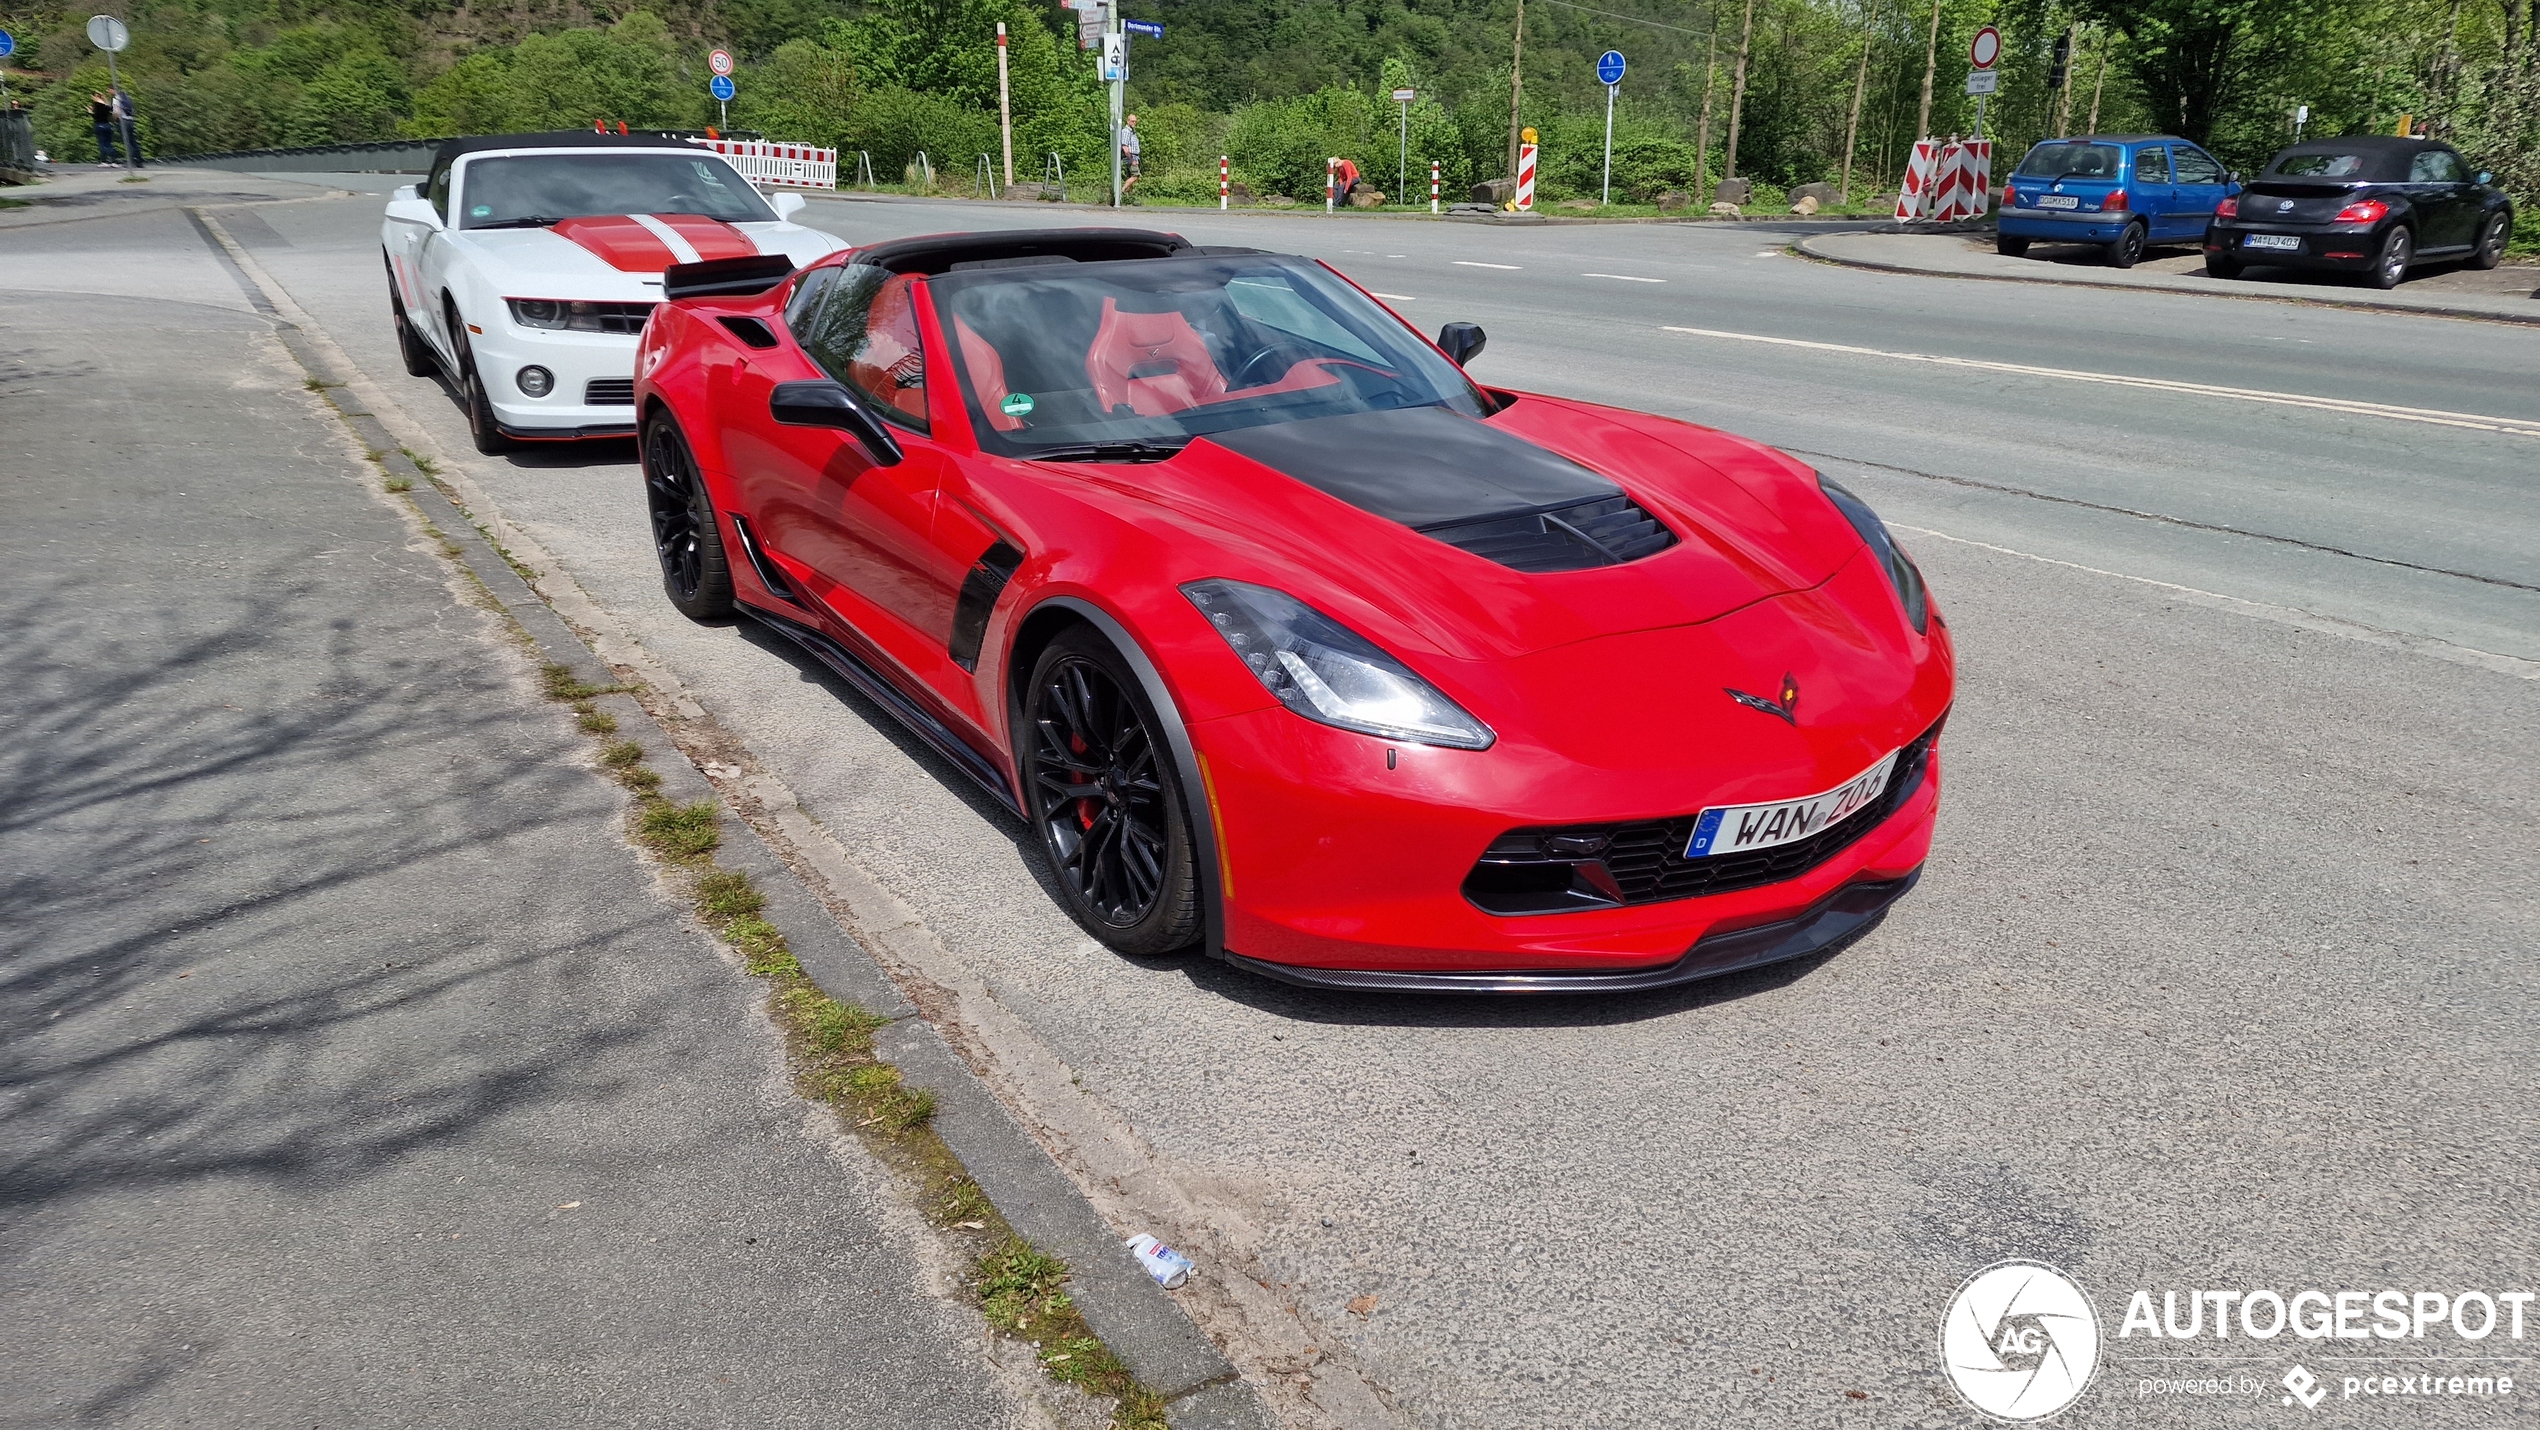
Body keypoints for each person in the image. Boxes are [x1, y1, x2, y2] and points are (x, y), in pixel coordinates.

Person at [113, 87, 141, 167]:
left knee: (126, 142)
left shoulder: (116, 99)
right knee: (133, 141)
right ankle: (139, 161)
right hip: (131, 121)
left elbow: (117, 112)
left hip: (123, 121)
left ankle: (130, 162)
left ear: (113, 90)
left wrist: (113, 120)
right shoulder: (126, 97)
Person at [90, 91, 119, 165]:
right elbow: (111, 109)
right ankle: (114, 160)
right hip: (107, 125)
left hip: (100, 125)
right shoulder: (106, 106)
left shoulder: (97, 105)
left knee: (102, 144)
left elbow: (96, 117)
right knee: (108, 144)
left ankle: (104, 161)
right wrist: (104, 97)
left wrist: (90, 112)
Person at [1117, 114, 1140, 198]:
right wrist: (1131, 159)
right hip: (1130, 157)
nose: (1134, 123)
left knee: (1130, 177)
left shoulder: (1132, 131)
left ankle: (1128, 196)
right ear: (1128, 121)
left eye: (1135, 121)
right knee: (1135, 175)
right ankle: (1122, 191)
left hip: (1134, 156)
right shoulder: (1126, 131)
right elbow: (1125, 146)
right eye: (1132, 121)